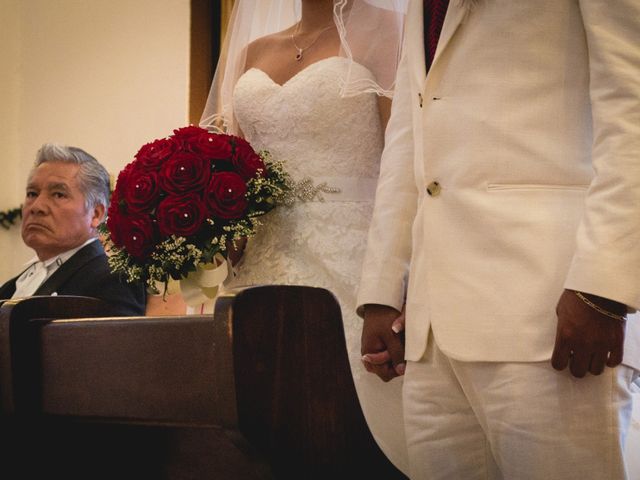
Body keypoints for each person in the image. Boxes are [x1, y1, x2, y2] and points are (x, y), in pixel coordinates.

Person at [358, 0, 640, 478]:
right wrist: (381, 290)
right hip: (431, 333)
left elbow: (632, 111)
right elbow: (408, 136)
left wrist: (604, 288)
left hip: (551, 312)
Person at [200, 0, 410, 474]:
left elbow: (407, 164)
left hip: (354, 258)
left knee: (350, 432)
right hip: (260, 268)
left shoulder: (393, 31)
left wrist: (400, 281)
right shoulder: (252, 52)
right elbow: (237, 173)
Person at [0, 143, 146, 316]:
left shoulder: (114, 280)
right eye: (32, 193)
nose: (36, 206)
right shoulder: (10, 288)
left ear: (96, 214)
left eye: (58, 194)